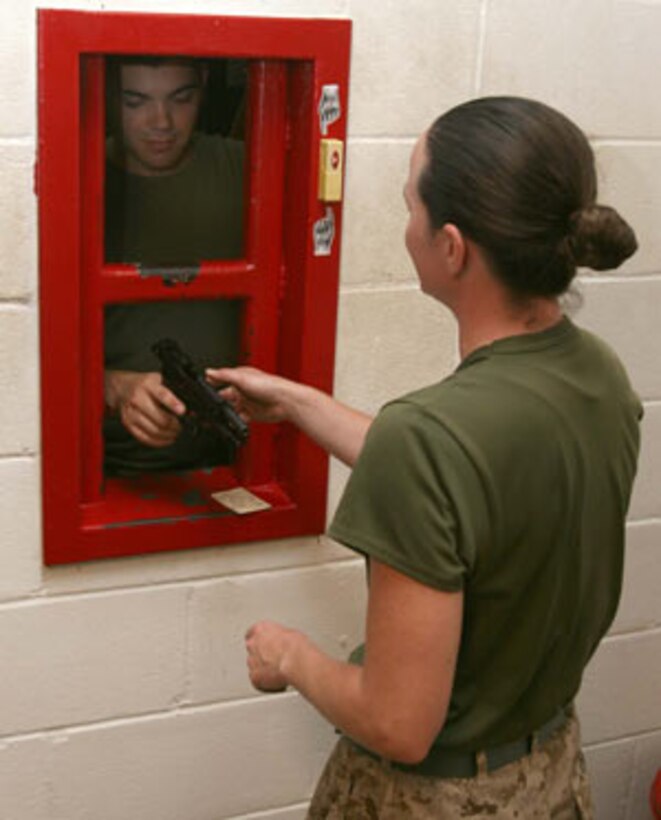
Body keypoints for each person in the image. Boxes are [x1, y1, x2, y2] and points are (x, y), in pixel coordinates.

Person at [206, 97, 642, 818]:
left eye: (410, 202)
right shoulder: (596, 373)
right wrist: (297, 401)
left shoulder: (429, 438)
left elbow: (396, 724)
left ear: (450, 246)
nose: (402, 223)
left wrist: (287, 655)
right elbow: (471, 477)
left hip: (437, 799)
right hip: (549, 772)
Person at [103, 56, 244, 475]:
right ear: (108, 94)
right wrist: (113, 385)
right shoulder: (76, 178)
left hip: (235, 461)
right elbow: (31, 352)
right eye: (135, 101)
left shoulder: (249, 168)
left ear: (203, 84)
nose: (160, 121)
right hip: (110, 468)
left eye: (181, 98)